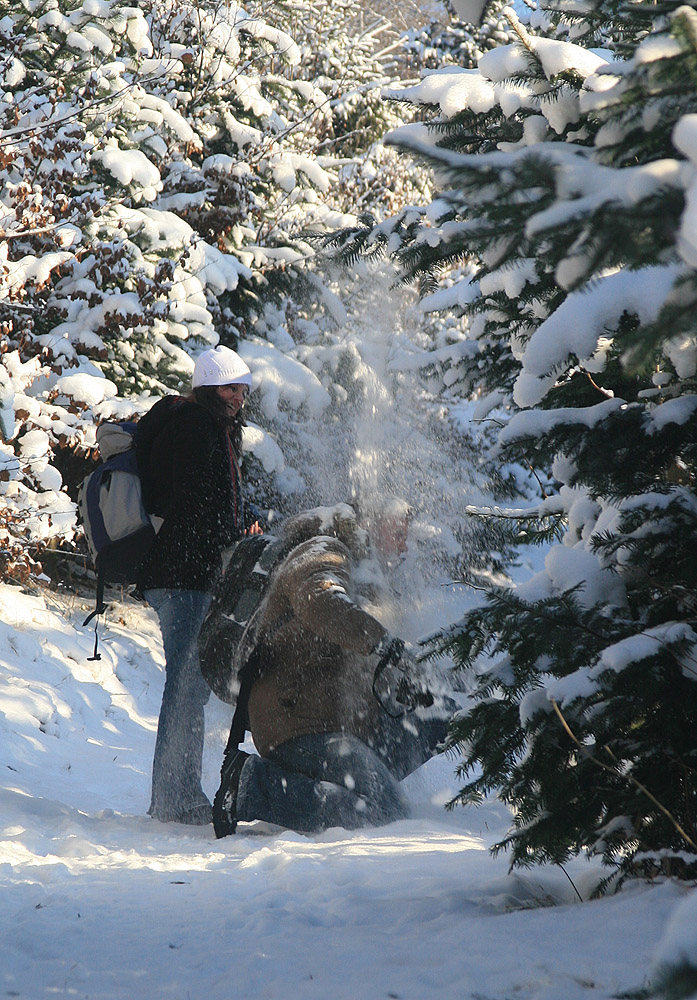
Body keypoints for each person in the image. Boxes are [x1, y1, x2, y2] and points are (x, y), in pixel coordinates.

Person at [212, 503, 456, 837]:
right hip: (299, 723)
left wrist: (400, 681)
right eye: (398, 534)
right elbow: (321, 601)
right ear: (366, 527)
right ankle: (252, 786)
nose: (404, 546)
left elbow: (339, 651)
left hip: (334, 718)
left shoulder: (361, 575)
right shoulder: (323, 549)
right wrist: (388, 647)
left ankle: (362, 783)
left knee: (443, 714)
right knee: (386, 811)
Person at [136, 345, 261, 825]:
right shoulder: (195, 427)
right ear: (210, 389)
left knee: (189, 686)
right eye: (230, 388)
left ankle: (177, 793)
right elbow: (189, 499)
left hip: (185, 571)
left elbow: (209, 498)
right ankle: (175, 798)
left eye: (243, 388)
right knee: (187, 687)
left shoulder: (209, 429)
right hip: (182, 573)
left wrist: (241, 519)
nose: (239, 398)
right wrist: (229, 533)